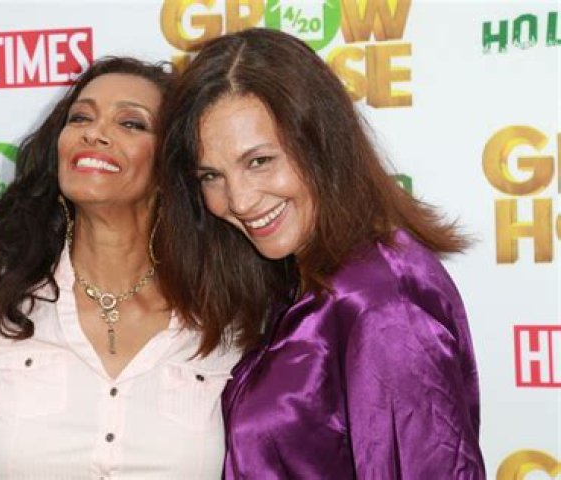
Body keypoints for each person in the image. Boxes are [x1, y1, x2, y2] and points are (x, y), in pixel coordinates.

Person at [155, 28, 485, 478]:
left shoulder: (382, 305)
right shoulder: (302, 280)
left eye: (259, 161)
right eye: (211, 176)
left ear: (322, 143)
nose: (240, 201)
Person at [0, 56, 240, 479]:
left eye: (131, 123)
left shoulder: (227, 309)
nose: (94, 133)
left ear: (170, 165)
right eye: (80, 117)